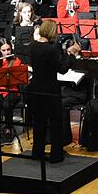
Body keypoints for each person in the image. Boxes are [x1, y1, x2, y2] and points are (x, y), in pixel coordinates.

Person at [28, 20, 81, 163]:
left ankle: (37, 153)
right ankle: (56, 155)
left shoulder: (32, 46)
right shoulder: (50, 50)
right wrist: (72, 54)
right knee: (55, 122)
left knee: (39, 122)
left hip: (35, 88)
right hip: (50, 89)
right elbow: (62, 70)